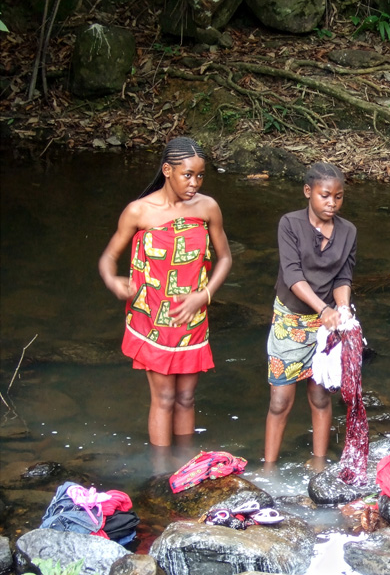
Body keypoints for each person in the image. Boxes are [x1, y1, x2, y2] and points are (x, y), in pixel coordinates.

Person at [99, 137, 232, 448]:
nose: (195, 183)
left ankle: (184, 466)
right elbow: (108, 256)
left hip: (193, 315)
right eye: (188, 175)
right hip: (153, 318)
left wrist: (204, 295)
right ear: (167, 170)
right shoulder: (139, 211)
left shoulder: (207, 207)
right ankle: (160, 474)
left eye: (200, 175)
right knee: (165, 396)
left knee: (186, 396)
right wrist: (112, 279)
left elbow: (225, 258)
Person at [264, 162, 357, 464]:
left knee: (320, 396)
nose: (332, 203)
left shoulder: (348, 231)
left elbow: (343, 277)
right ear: (308, 192)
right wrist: (324, 309)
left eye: (339, 197)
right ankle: (269, 468)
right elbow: (292, 276)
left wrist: (341, 310)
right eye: (325, 196)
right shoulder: (289, 224)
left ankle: (318, 465)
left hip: (325, 327)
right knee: (280, 401)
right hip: (289, 323)